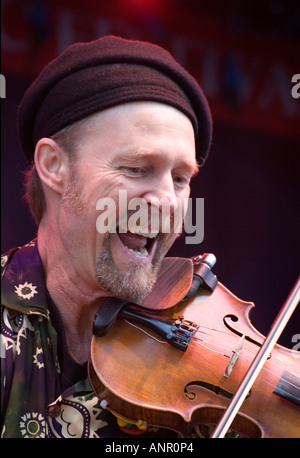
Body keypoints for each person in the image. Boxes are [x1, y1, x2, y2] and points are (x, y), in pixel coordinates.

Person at [1, 35, 212, 438]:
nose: (168, 201)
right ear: (54, 166)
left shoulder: (201, 388)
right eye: (137, 168)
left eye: (181, 178)